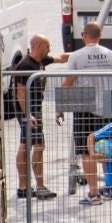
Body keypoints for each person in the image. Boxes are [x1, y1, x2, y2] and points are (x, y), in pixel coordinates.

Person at [58, 20, 112, 204]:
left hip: (84, 103)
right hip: (106, 104)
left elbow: (68, 82)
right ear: (100, 36)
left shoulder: (77, 56)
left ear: (84, 36)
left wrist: (60, 108)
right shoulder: (110, 54)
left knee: (86, 152)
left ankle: (94, 193)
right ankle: (109, 188)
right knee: (105, 150)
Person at [12, 34, 66, 199]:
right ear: (38, 46)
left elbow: (61, 58)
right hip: (27, 110)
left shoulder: (42, 60)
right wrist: (27, 114)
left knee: (29, 144)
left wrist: (83, 51)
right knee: (36, 145)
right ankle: (38, 186)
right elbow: (20, 92)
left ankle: (24, 188)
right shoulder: (25, 65)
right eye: (47, 45)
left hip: (35, 108)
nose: (50, 48)